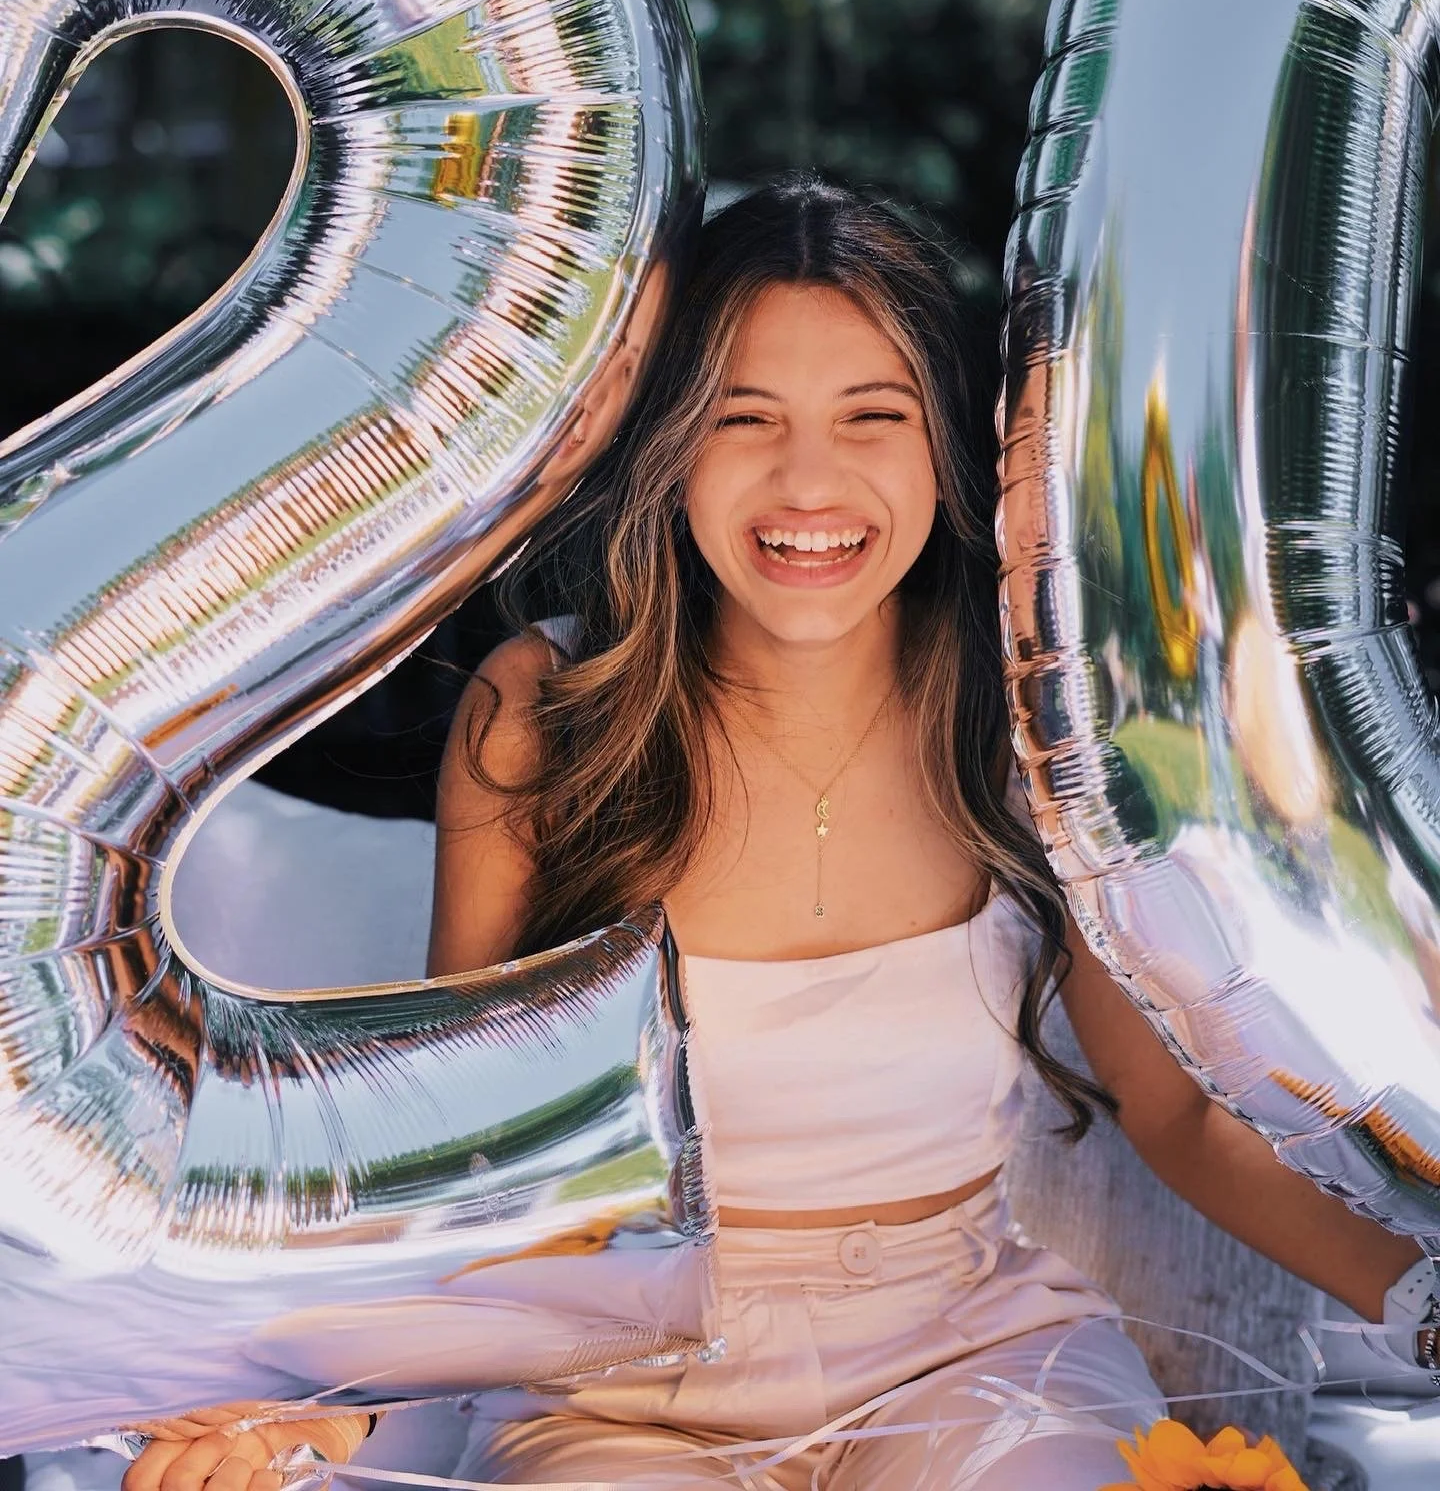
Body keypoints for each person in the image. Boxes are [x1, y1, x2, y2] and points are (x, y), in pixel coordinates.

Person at [124, 178, 1429, 1491]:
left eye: (875, 416)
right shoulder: (539, 717)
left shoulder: (1029, 716)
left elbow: (1174, 1113)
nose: (811, 481)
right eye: (745, 418)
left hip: (968, 1356)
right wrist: (298, 1407)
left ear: (947, 448)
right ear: (669, 447)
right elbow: (476, 1158)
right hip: (616, 1390)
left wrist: (1420, 1297)